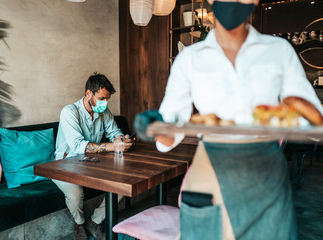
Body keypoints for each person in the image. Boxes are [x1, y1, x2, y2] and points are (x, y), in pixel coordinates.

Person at [134, 0, 323, 239]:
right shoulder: (190, 59)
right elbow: (170, 133)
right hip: (211, 172)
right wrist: (154, 126)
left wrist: (296, 107)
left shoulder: (279, 51)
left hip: (265, 178)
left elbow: (315, 119)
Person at [54, 73, 134, 240]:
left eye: (107, 99)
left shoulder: (104, 111)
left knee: (124, 182)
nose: (105, 103)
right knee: (75, 194)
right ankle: (79, 223)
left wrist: (122, 140)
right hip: (64, 164)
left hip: (92, 162)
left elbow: (114, 132)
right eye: (102, 98)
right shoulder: (69, 112)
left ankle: (95, 221)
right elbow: (78, 145)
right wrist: (114, 146)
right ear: (89, 93)